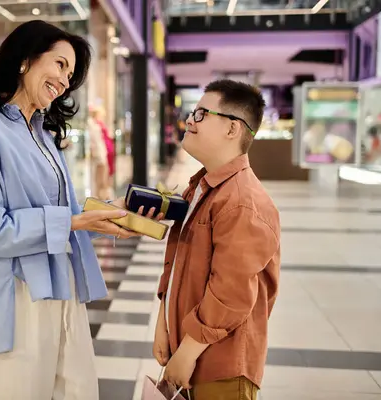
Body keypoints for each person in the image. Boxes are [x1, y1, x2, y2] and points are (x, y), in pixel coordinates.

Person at [0, 20, 161, 399]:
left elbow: (64, 215)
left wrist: (111, 214)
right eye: (60, 64)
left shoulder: (42, 134)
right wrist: (73, 221)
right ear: (25, 60)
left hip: (62, 288)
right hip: (14, 299)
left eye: (70, 74)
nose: (64, 80)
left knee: (78, 391)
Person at [154, 79, 281, 400]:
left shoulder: (241, 201)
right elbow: (179, 266)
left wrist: (188, 352)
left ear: (232, 129)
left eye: (200, 114)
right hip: (192, 352)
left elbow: (232, 293)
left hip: (220, 366)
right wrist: (164, 326)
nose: (189, 121)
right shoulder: (203, 187)